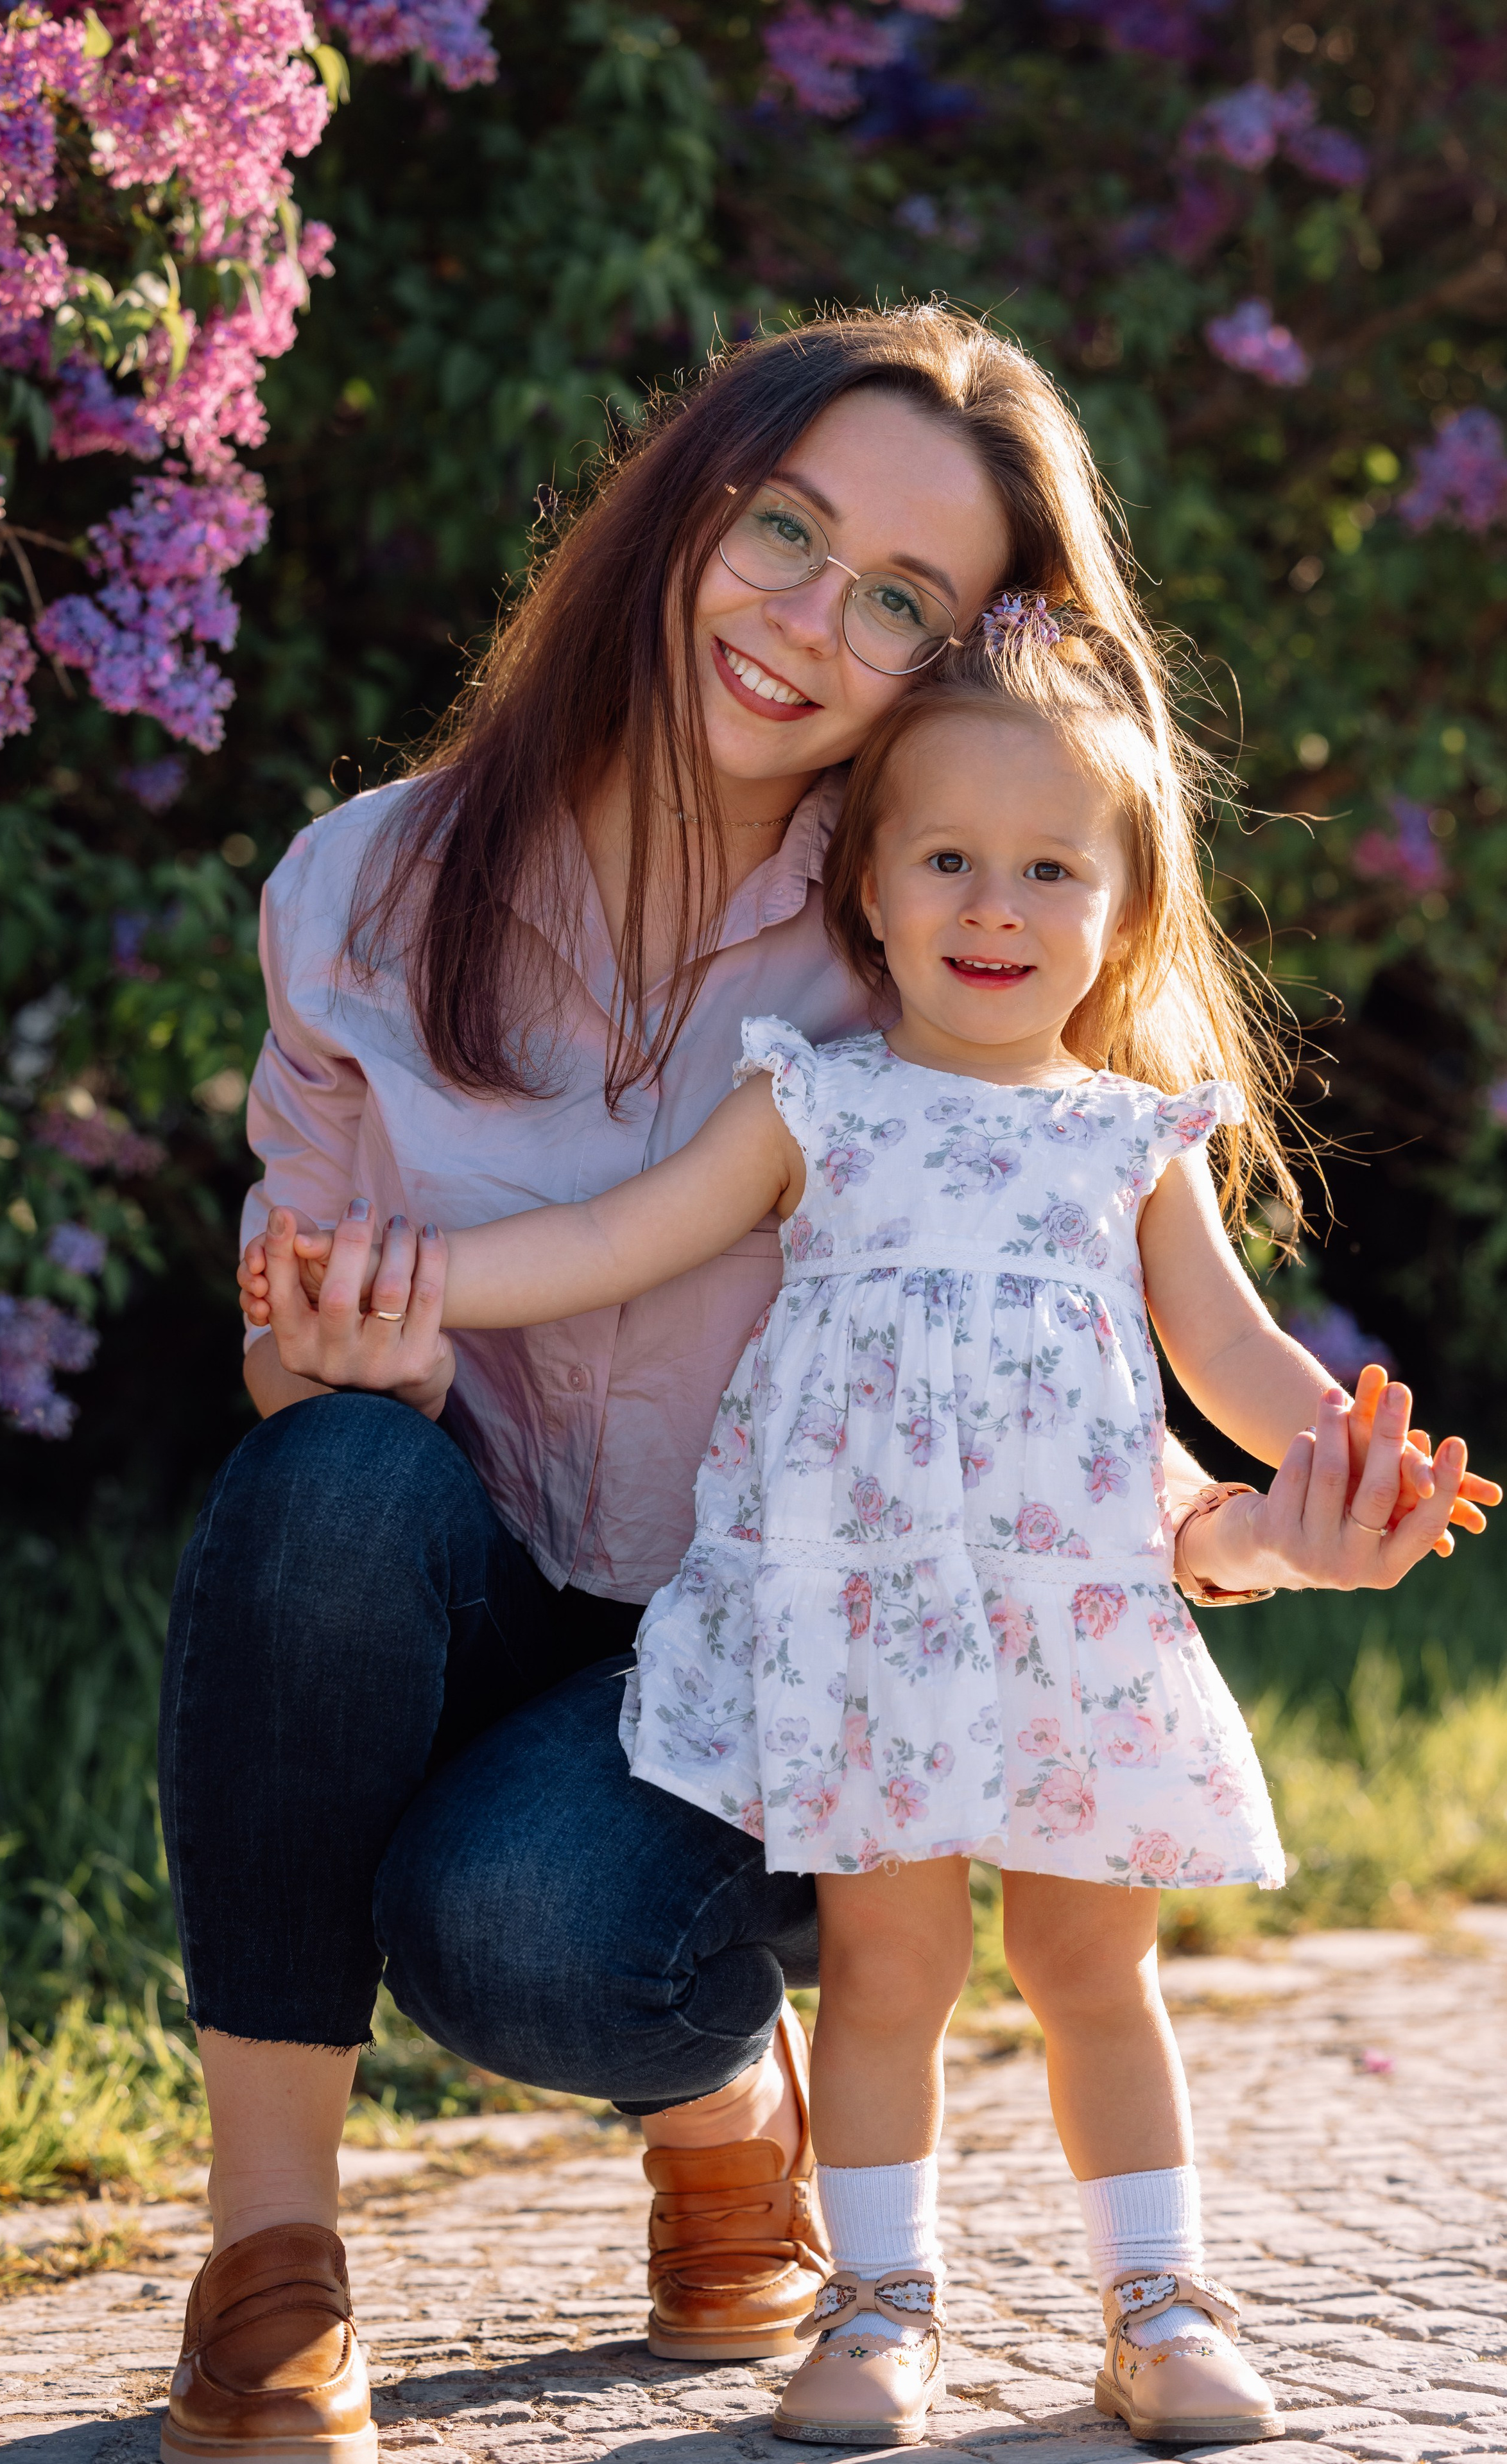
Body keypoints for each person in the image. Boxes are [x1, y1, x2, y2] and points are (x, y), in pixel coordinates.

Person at [159, 307, 1492, 2464]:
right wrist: (334, 1317)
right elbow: (489, 1268)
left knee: (625, 1936)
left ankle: (882, 2183)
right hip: (545, 1592)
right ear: (685, 509)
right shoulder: (390, 900)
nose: (811, 619)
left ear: (968, 670)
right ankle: (280, 2272)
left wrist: (1283, 1504)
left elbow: (1099, 1375)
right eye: (784, 529)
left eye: (902, 600)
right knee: (317, 1478)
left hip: (842, 1637)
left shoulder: (951, 976)